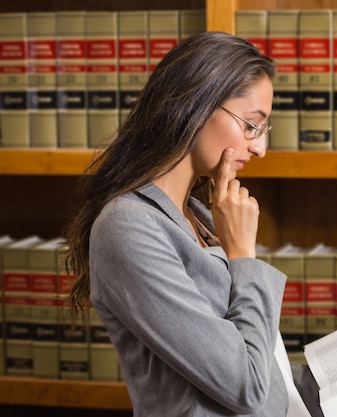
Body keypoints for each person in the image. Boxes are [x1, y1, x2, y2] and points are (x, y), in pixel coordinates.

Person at [64, 31, 323, 417]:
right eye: (251, 124)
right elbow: (246, 387)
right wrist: (243, 257)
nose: (260, 147)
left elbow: (252, 357)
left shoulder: (201, 216)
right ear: (197, 105)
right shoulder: (127, 228)